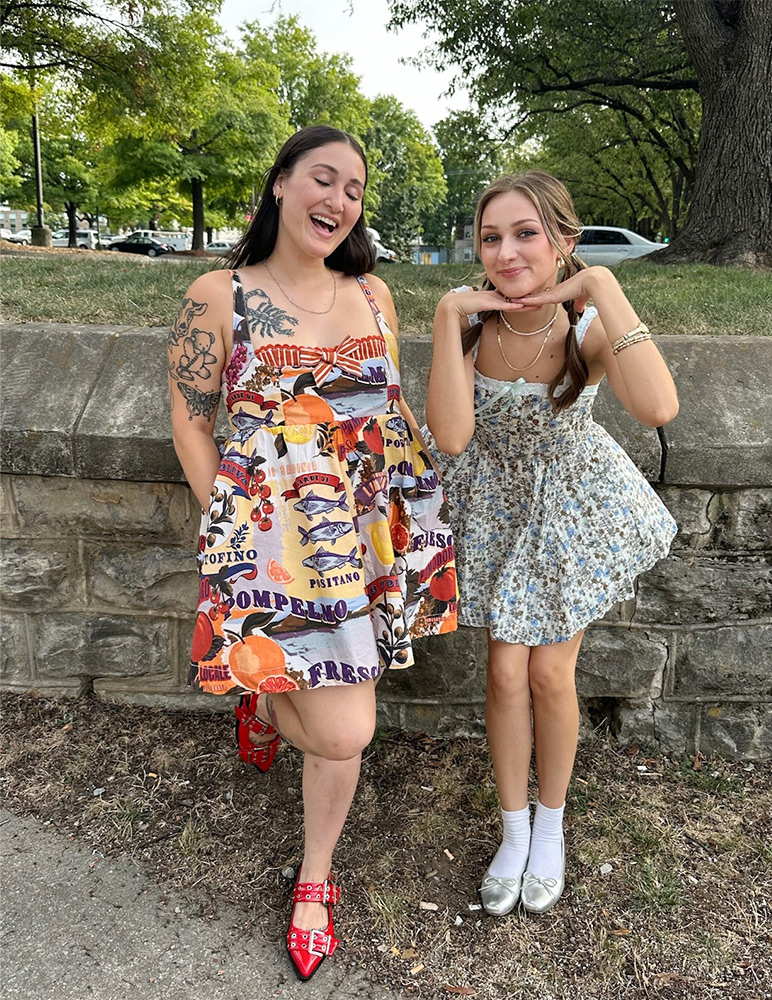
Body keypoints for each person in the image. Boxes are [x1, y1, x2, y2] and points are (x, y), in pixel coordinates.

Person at [168, 124, 457, 981]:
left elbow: (384, 417)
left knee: (343, 732)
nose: (337, 201)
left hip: (359, 537)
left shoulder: (374, 295)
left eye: (354, 190)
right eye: (322, 179)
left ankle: (314, 876)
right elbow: (190, 416)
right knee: (345, 730)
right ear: (281, 185)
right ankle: (263, 698)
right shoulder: (221, 294)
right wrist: (229, 521)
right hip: (268, 536)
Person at [424, 170, 678, 918]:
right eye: (491, 236)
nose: (506, 253)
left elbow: (659, 403)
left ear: (564, 240)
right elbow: (451, 436)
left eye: (526, 233)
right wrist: (446, 316)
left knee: (548, 675)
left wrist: (601, 286)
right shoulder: (472, 324)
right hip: (496, 506)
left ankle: (552, 826)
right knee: (504, 673)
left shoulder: (586, 331)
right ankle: (513, 828)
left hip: (569, 509)